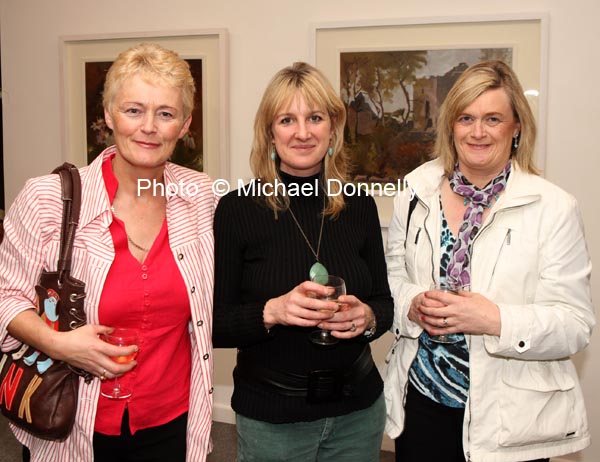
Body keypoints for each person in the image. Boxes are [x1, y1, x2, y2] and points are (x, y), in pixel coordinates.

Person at [0, 43, 216, 462]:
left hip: (173, 420)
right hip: (71, 423)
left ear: (186, 124)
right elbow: (4, 295)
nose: (149, 127)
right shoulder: (47, 198)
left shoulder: (203, 196)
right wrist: (60, 344)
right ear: (108, 115)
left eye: (166, 113)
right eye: (133, 110)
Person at [384, 60, 595, 462]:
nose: (477, 132)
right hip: (423, 405)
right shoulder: (415, 190)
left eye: (493, 118)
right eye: (466, 117)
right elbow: (390, 277)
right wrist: (413, 302)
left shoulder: (553, 207)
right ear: (451, 125)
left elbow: (574, 324)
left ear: (516, 127)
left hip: (510, 422)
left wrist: (493, 320)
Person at [213, 62, 394, 462]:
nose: (302, 132)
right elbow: (211, 323)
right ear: (269, 132)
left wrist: (367, 318)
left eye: (315, 117)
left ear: (333, 128)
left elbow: (385, 303)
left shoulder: (359, 204)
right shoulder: (236, 209)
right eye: (287, 119)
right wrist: (272, 311)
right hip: (273, 422)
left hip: (359, 413)